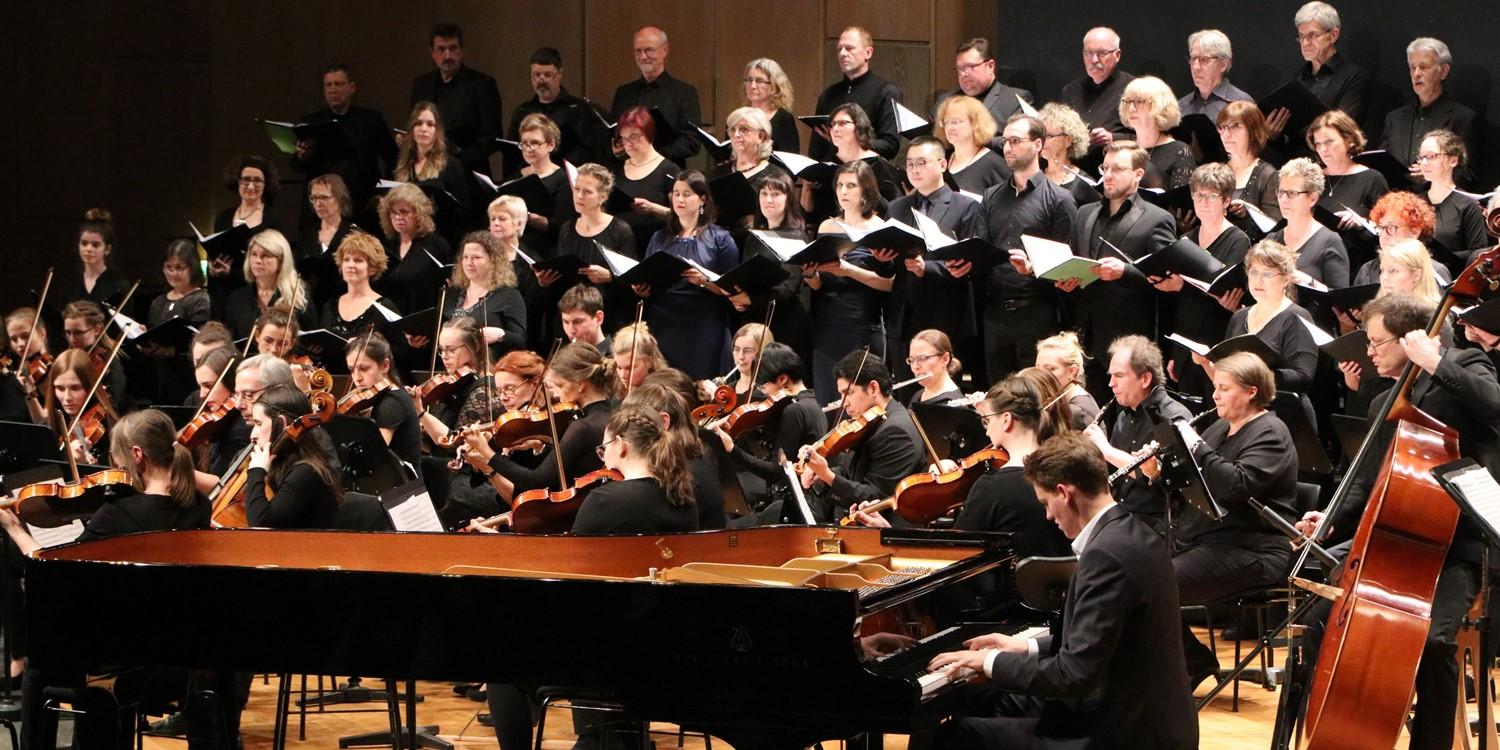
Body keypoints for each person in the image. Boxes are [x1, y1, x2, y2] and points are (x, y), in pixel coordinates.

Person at [926, 432, 1196, 750]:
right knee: (974, 698)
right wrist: (1024, 648)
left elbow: (1073, 676)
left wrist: (989, 661)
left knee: (955, 735)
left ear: (1064, 493)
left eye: (1045, 503)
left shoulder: (1106, 555)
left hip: (1124, 733)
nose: (1048, 516)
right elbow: (1101, 640)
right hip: (1138, 713)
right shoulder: (1132, 532)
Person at [1, 409, 208, 750]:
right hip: (176, 661)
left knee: (39, 663)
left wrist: (13, 529)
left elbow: (51, 572)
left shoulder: (118, 514)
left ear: (138, 456)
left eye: (118, 458)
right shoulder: (198, 505)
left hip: (124, 663)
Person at [1174, 352, 1300, 687]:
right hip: (1209, 539)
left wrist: (1196, 448)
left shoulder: (1270, 432)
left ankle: (1192, 661)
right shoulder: (1219, 427)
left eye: (1224, 388)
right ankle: (1179, 663)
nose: (1214, 395)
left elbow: (1236, 485)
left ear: (1251, 391)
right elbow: (1196, 478)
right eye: (1215, 387)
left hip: (1254, 548)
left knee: (1157, 584)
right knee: (1132, 570)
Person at [1015, 141, 1173, 395]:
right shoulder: (1085, 213)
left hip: (1127, 334)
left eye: (1118, 169)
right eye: (1105, 168)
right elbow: (1073, 261)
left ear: (1138, 174)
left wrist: (1126, 271)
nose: (1108, 175)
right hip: (1083, 333)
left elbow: (1165, 279)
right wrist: (1052, 274)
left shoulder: (1157, 218)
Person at [466, 342, 616, 498]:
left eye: (559, 385)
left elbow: (537, 482)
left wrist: (488, 454)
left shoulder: (583, 427)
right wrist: (541, 446)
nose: (556, 395)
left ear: (580, 385)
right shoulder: (610, 415)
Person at [1155, 163, 1252, 401]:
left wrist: (1182, 286)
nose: (1203, 202)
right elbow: (1182, 307)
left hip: (1217, 343)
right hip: (1186, 345)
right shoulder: (1187, 239)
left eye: (1211, 196)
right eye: (1198, 195)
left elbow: (1225, 294)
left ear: (1226, 200)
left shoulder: (1238, 241)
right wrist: (1176, 355)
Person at [886, 136, 980, 375]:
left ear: (942, 165)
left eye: (922, 163)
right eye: (910, 164)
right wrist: (881, 256)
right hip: (904, 314)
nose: (915, 170)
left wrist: (925, 268)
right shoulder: (896, 207)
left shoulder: (965, 206)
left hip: (945, 311)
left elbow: (969, 262)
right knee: (906, 391)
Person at [1082, 336, 1195, 529]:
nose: (1110, 384)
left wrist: (1106, 450)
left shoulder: (1174, 418)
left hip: (1159, 524)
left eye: (1118, 375)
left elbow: (1168, 481)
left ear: (1145, 378)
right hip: (1123, 515)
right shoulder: (1124, 417)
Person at [634, 171, 738, 379]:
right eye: (676, 194)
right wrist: (642, 289)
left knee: (700, 381)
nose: (679, 199)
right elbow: (648, 274)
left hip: (704, 321)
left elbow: (733, 288)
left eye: (687, 194)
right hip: (664, 319)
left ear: (702, 199)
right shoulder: (659, 237)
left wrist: (705, 282)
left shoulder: (720, 238)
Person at [799, 352, 923, 524]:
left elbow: (877, 499)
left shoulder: (896, 431)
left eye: (848, 393)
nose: (844, 402)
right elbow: (850, 471)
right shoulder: (869, 422)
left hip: (878, 532)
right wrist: (820, 474)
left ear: (873, 388)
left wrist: (827, 475)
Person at [808, 161, 895, 403]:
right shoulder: (827, 226)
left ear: (866, 190)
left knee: (860, 396)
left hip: (862, 321)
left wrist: (849, 271)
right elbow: (819, 285)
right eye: (840, 185)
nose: (843, 191)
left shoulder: (879, 227)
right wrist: (809, 274)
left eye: (851, 185)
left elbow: (889, 283)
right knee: (827, 396)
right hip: (827, 321)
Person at [712, 343, 825, 521]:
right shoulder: (812, 404)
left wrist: (733, 450)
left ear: (782, 379)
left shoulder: (793, 411)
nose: (763, 391)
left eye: (764, 384)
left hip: (790, 510)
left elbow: (776, 472)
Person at [1194, 241, 1319, 398]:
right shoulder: (1239, 317)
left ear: (1286, 279)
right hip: (1242, 410)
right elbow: (1228, 381)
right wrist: (1206, 363)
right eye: (1253, 272)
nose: (1258, 280)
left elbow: (1303, 378)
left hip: (1283, 413)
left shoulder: (1297, 317)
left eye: (1267, 274)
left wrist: (1253, 374)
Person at [573, 401, 698, 535]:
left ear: (621, 445)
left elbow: (576, 553)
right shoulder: (684, 497)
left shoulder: (603, 500)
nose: (603, 457)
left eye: (604, 448)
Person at [291, 63, 397, 215]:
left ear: (352, 87)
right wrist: (302, 156)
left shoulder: (371, 120)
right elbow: (296, 167)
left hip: (362, 203)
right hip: (320, 204)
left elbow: (392, 157)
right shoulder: (310, 122)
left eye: (338, 84)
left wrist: (384, 194)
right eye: (328, 85)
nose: (333, 90)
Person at [1381, 38, 1479, 188]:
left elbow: (1470, 175)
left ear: (1444, 71)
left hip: (1438, 206)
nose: (1416, 74)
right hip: (1399, 205)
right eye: (1412, 68)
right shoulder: (1395, 119)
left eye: (1423, 67)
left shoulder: (1463, 118)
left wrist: (1434, 173)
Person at [245, 384, 343, 529]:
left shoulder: (306, 472)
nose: (253, 435)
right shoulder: (280, 464)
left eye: (259, 424)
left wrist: (256, 471)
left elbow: (261, 526)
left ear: (282, 423)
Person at [552, 162, 636, 330]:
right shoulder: (567, 229)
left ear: (603, 196)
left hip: (607, 316)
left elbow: (632, 283)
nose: (579, 196)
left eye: (587, 192)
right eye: (576, 189)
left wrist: (610, 276)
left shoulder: (620, 230)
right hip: (572, 316)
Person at [410, 22, 502, 174]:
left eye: (453, 49)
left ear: (461, 50)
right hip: (426, 171)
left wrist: (456, 161)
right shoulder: (421, 84)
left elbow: (492, 138)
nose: (448, 56)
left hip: (467, 172)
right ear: (432, 52)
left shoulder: (482, 84)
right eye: (441, 49)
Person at [609, 26, 702, 164]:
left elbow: (691, 142)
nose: (643, 56)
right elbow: (614, 134)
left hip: (668, 173)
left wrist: (650, 155)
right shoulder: (623, 93)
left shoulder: (684, 93)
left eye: (649, 50)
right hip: (627, 171)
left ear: (665, 50)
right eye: (638, 51)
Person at [809, 26, 902, 162]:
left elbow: (890, 145)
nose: (842, 53)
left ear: (868, 53)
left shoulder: (886, 91)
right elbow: (816, 148)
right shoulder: (828, 94)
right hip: (829, 176)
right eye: (839, 49)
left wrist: (854, 141)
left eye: (849, 48)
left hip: (867, 174)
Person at [1309, 110, 1387, 271]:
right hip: (1316, 265)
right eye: (1318, 144)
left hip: (1357, 266)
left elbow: (1390, 230)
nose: (1323, 149)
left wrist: (1363, 223)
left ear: (1349, 140)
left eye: (1329, 142)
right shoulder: (1311, 179)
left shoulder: (1372, 179)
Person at [318, 231, 405, 367]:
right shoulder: (329, 306)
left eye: (358, 260)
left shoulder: (384, 307)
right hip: (329, 382)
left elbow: (400, 353)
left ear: (372, 268)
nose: (350, 265)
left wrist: (366, 347)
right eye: (346, 260)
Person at [392, 102, 474, 242]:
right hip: (407, 237)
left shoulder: (451, 165)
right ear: (411, 129)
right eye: (418, 123)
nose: (424, 129)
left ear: (438, 131)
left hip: (439, 237)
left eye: (430, 124)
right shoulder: (403, 163)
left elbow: (464, 211)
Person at [343, 332, 423, 476]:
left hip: (403, 490)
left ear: (385, 366)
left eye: (364, 368)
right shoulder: (383, 397)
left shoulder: (392, 403)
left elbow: (371, 458)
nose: (357, 378)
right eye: (351, 370)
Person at [142, 239, 211, 403]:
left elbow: (198, 341)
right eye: (169, 267)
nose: (173, 273)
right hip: (159, 377)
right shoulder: (158, 302)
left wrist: (169, 351)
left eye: (180, 268)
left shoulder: (200, 300)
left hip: (185, 377)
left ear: (192, 268)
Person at [933, 38, 1034, 147]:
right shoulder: (945, 101)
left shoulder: (1015, 100)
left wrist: (972, 140)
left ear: (990, 66)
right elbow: (933, 141)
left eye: (970, 67)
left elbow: (1020, 141)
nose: (963, 74)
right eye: (959, 69)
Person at [442, 230, 527, 360]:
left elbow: (520, 340)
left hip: (489, 368)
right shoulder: (452, 293)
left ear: (493, 260)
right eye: (465, 257)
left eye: (476, 257)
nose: (469, 263)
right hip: (451, 367)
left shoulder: (509, 295)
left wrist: (500, 334)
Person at [1057, 27, 1136, 163]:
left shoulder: (1134, 89)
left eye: (1101, 53)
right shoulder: (1071, 90)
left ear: (1117, 55)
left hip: (1117, 168)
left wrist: (1113, 138)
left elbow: (1151, 137)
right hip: (1074, 171)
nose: (1094, 60)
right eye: (1088, 53)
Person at [1268, 158, 1350, 288]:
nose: (1283, 199)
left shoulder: (1330, 241)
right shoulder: (1271, 240)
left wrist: (1310, 282)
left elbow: (1340, 299)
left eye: (1292, 193)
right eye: (1281, 192)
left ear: (1312, 198)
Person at [507, 47, 592, 170]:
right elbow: (512, 152)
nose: (541, 80)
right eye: (536, 75)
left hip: (565, 177)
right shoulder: (523, 111)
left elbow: (586, 151)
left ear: (559, 74)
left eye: (548, 75)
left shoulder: (578, 110)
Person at [1417, 129, 1489, 272]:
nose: (1424, 163)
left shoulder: (1467, 205)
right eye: (1421, 157)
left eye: (1432, 156)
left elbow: (1477, 253)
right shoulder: (1414, 202)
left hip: (1451, 281)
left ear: (1453, 160)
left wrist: (1436, 258)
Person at [30, 348, 119, 465]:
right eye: (60, 388)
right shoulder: (50, 426)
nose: (67, 397)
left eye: (75, 388)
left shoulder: (110, 430)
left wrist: (85, 464)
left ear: (89, 387)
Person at [613, 105, 679, 259]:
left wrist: (652, 208)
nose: (629, 143)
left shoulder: (669, 170)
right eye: (624, 138)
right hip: (621, 247)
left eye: (635, 137)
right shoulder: (616, 170)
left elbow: (682, 216)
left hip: (654, 247)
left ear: (649, 135)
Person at [223, 229, 314, 340]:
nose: (258, 261)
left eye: (265, 256)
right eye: (254, 254)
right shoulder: (237, 298)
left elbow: (311, 342)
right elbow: (232, 342)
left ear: (281, 261)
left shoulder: (299, 296)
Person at [1289, 2, 1371, 123]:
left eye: (1312, 35)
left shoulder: (1354, 76)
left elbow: (1343, 127)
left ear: (1333, 35)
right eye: (1301, 36)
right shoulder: (1297, 78)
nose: (1305, 43)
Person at [513, 113, 579, 250]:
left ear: (551, 145)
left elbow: (562, 226)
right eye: (524, 143)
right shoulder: (516, 174)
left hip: (543, 245)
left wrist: (529, 217)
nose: (529, 148)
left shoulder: (563, 179)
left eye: (535, 143)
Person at [1218, 102, 1282, 241]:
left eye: (1234, 127)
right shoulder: (1216, 171)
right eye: (1222, 127)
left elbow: (1277, 231)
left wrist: (1251, 213)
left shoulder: (1268, 175)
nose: (1226, 134)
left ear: (1253, 130)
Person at [295, 173, 358, 309]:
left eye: (324, 197)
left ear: (340, 198)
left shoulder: (353, 235)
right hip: (310, 307)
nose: (318, 203)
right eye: (314, 198)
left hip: (343, 305)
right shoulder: (306, 235)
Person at [1120, 76, 1194, 190]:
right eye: (1127, 102)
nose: (1131, 108)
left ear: (1159, 106)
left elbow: (1179, 202)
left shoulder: (1179, 151)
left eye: (1139, 102)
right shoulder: (1122, 149)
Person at [935, 95, 1008, 196]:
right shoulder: (942, 161)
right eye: (946, 122)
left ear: (976, 123)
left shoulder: (994, 164)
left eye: (955, 122)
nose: (949, 128)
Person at [58, 209, 130, 308]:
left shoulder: (118, 285)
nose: (88, 249)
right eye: (84, 243)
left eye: (95, 245)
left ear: (107, 249)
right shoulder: (70, 283)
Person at [1179, 29, 1253, 122]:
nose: (1195, 67)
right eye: (1193, 59)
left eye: (1204, 59)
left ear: (1223, 65)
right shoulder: (1181, 106)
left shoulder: (1242, 103)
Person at [1034, 332, 1101, 429]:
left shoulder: (1076, 412)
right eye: (1037, 368)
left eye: (1050, 369)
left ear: (1072, 371)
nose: (1039, 375)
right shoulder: (1058, 403)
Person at [741, 58, 799, 155]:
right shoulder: (738, 117)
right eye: (749, 80)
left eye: (759, 81)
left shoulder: (783, 119)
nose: (753, 86)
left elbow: (789, 158)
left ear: (773, 87)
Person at [905, 329, 964, 406]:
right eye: (911, 360)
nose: (915, 366)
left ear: (945, 359)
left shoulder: (953, 405)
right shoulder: (918, 395)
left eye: (923, 358)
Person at [611, 321, 669, 395]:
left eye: (629, 368)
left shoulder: (663, 394)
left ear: (649, 361)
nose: (622, 375)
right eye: (619, 368)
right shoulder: (614, 389)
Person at [723, 322, 772, 403]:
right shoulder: (727, 390)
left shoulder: (767, 393)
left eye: (748, 351)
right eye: (736, 349)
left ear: (764, 352)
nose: (740, 356)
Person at [558, 284, 611, 355]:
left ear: (598, 318)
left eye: (577, 322)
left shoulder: (618, 358)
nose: (571, 331)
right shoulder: (564, 356)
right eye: (566, 322)